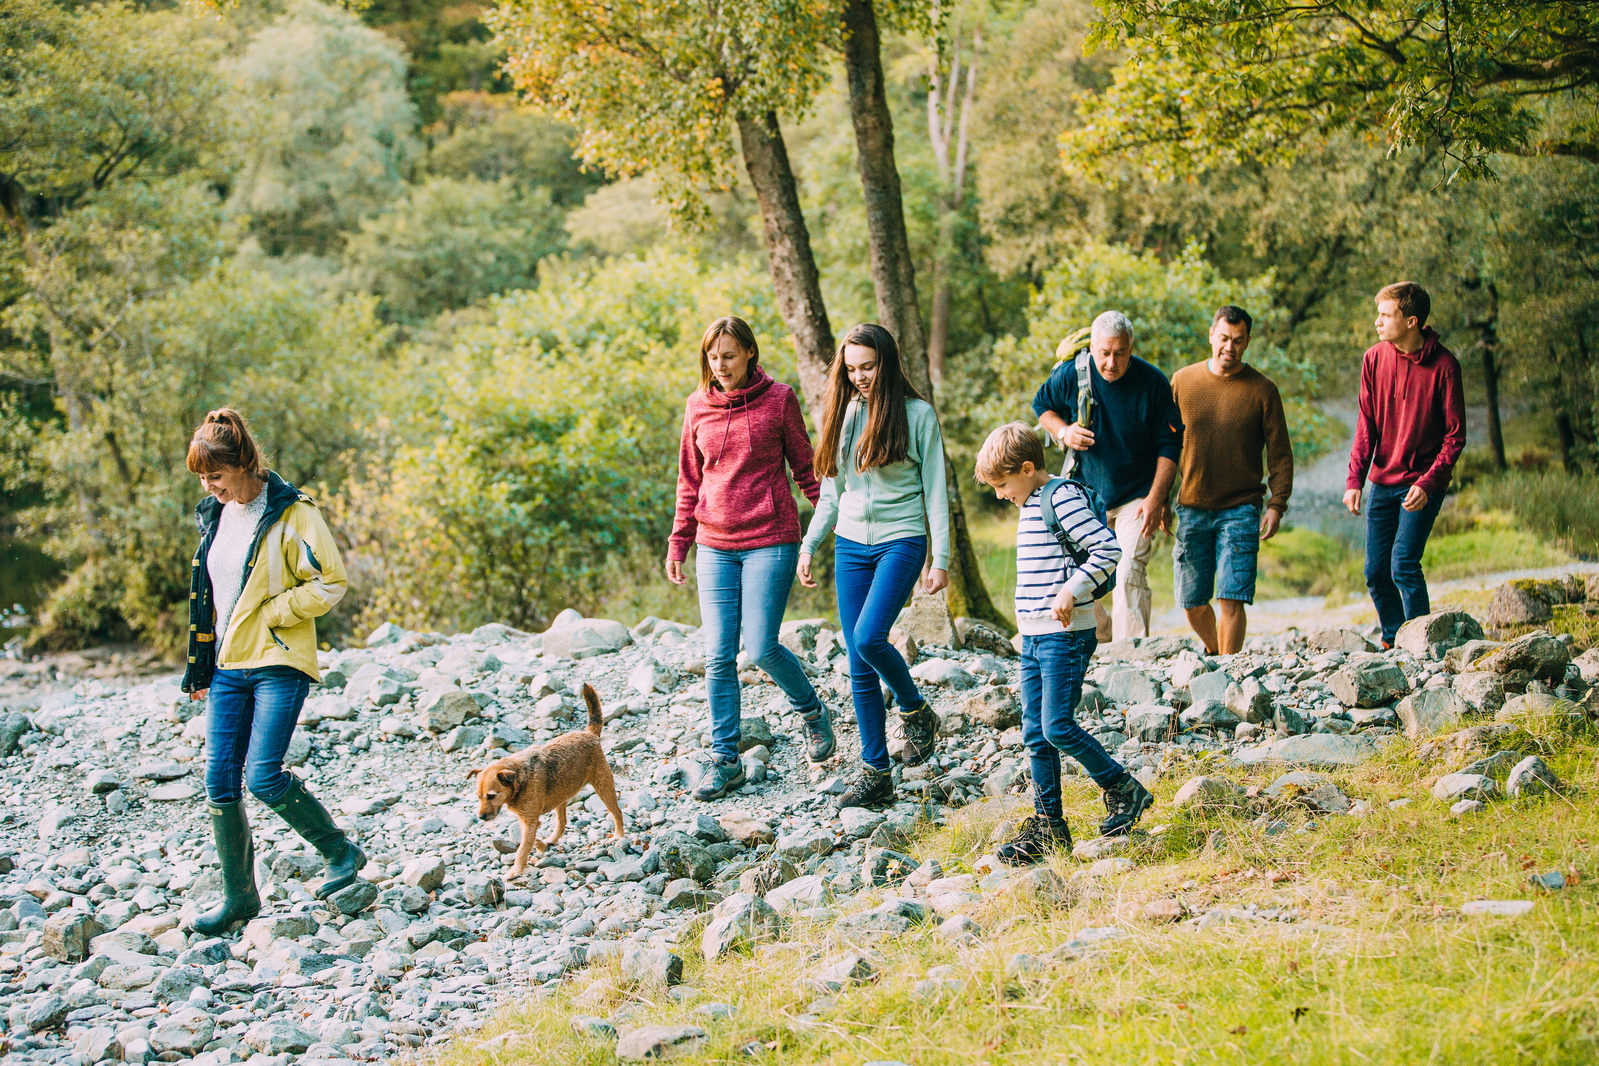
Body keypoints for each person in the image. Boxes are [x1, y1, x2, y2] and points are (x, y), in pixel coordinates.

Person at [180, 408, 363, 935]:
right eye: (201, 478)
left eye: (215, 475)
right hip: (227, 666)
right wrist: (199, 668)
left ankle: (341, 851)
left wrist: (276, 613)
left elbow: (331, 581)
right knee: (219, 780)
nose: (208, 486)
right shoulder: (215, 514)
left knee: (262, 775)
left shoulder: (293, 511)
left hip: (278, 660)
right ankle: (240, 898)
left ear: (243, 464)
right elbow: (211, 598)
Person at [666, 316, 837, 801]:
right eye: (712, 357)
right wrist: (680, 542)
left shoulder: (779, 399)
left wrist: (826, 525)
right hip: (714, 544)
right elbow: (689, 480)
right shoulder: (697, 406)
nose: (719, 366)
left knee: (760, 648)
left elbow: (806, 470)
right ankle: (725, 760)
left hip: (770, 537)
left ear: (749, 354)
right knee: (717, 656)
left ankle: (811, 712)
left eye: (728, 355)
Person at [975, 423, 1151, 862]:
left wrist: (1071, 590)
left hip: (1065, 635)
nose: (999, 494)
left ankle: (1123, 789)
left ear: (1029, 468)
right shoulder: (1029, 501)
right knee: (1036, 733)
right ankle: (1049, 827)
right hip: (1035, 636)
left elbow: (1107, 550)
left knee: (1057, 726)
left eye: (1001, 485)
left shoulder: (1060, 497)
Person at [798, 323, 948, 811]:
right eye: (852, 368)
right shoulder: (841, 413)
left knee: (868, 638)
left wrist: (940, 558)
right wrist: (809, 544)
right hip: (850, 544)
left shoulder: (918, 415)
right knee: (857, 662)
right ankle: (876, 771)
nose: (860, 377)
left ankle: (915, 708)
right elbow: (830, 493)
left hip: (901, 539)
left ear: (887, 363)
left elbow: (936, 492)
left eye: (869, 366)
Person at [1033, 311, 1183, 642]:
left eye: (1120, 353)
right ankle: (1099, 643)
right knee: (1084, 574)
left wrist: (1156, 499)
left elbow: (1171, 445)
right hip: (1086, 497)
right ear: (1093, 347)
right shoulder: (1074, 374)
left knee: (1129, 569)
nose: (1111, 363)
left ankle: (1132, 653)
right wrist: (1064, 431)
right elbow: (1042, 404)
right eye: (1104, 353)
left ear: (1131, 348)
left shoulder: (1152, 382)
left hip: (1138, 497)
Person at [1344, 282, 1465, 647]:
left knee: (1404, 566)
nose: (1377, 322)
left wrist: (1428, 484)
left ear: (1411, 321)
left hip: (1423, 485)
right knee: (1376, 572)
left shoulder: (1445, 366)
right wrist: (1355, 480)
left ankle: (1421, 645)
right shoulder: (1374, 358)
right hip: (1383, 479)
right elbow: (1367, 424)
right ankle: (1393, 640)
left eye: (1385, 315)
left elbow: (1455, 437)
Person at [1170, 306, 1295, 654]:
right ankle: (1216, 653)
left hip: (1241, 508)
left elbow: (1280, 455)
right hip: (1191, 506)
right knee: (1192, 601)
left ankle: (1229, 670)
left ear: (1248, 342)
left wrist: (1276, 505)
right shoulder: (1182, 382)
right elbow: (1163, 448)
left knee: (1231, 598)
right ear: (1211, 334)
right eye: (1224, 338)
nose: (1229, 347)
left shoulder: (1263, 391)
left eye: (1238, 341)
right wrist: (1160, 501)